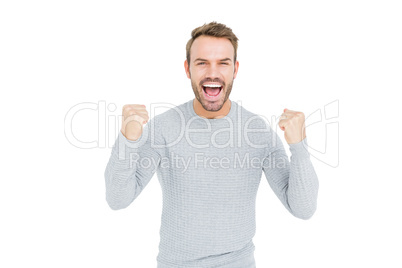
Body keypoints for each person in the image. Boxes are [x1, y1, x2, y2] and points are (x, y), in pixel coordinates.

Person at [104, 21, 319, 268]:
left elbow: (303, 209)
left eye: (223, 63)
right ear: (188, 69)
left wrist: (299, 147)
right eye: (202, 62)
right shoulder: (163, 128)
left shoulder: (258, 132)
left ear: (235, 69)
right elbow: (117, 199)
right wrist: (128, 139)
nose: (212, 73)